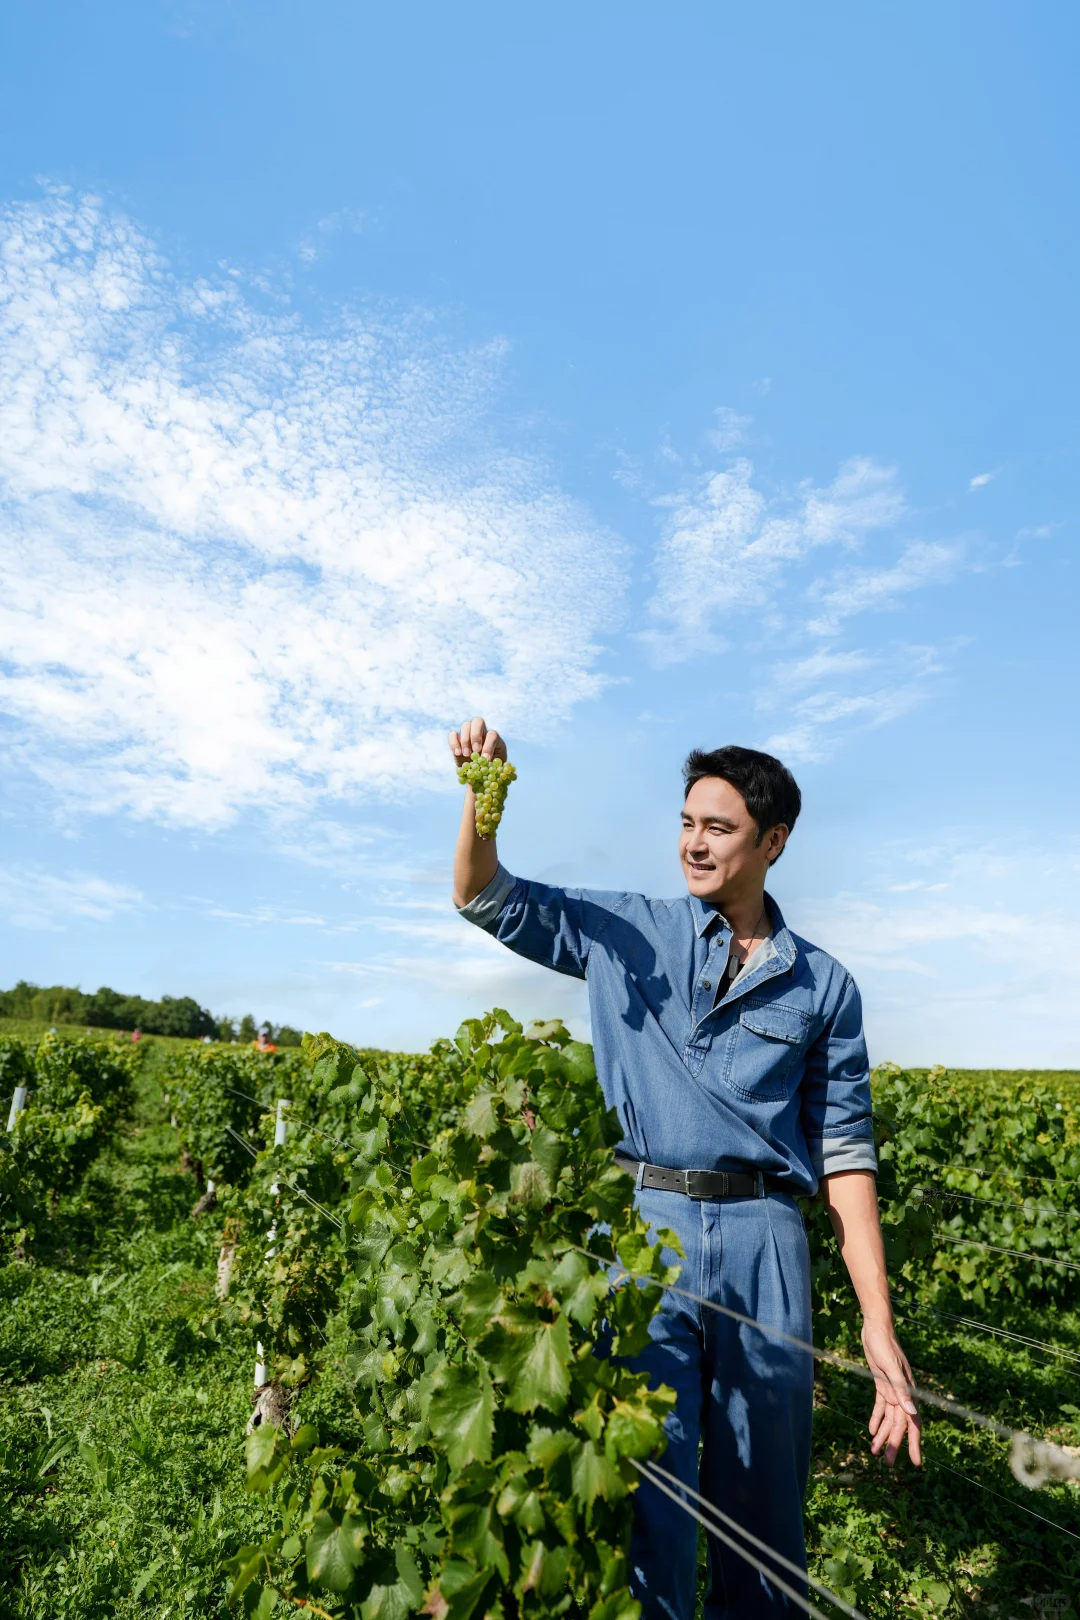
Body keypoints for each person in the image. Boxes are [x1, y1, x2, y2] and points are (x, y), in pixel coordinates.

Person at [449, 718, 921, 1620]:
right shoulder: (626, 931)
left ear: (773, 842)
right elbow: (482, 894)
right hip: (643, 1229)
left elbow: (846, 1156)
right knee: (645, 1490)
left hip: (765, 1243)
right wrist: (483, 795)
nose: (693, 843)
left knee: (762, 1503)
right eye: (686, 822)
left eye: (719, 827)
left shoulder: (824, 987)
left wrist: (875, 1321)